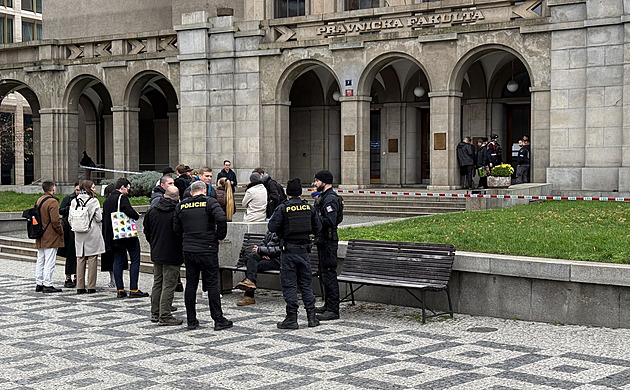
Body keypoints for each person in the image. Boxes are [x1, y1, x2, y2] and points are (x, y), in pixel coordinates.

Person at [173, 181, 232, 331]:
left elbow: (176, 227)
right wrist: (220, 236)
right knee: (212, 284)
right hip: (207, 248)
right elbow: (221, 218)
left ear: (192, 192)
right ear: (204, 191)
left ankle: (191, 321)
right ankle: (218, 320)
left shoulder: (182, 205)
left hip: (189, 250)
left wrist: (185, 239)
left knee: (191, 285)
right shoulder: (210, 202)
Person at [268, 178, 322, 329]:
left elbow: (272, 227)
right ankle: (312, 317)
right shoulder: (309, 208)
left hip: (288, 251)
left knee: (289, 284)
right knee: (305, 284)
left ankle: (292, 318)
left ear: (287, 193)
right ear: (300, 192)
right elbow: (318, 228)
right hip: (304, 251)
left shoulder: (283, 208)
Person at [144, 186, 183, 326]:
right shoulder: (177, 212)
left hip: (157, 251)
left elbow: (147, 232)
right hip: (173, 252)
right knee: (169, 284)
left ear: (165, 195)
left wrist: (154, 243)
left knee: (157, 283)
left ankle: (155, 312)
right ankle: (165, 315)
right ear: (177, 198)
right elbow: (180, 232)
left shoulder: (152, 211)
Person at [102, 178, 148, 299]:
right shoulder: (122, 198)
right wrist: (136, 215)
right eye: (128, 187)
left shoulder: (107, 200)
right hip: (126, 234)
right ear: (122, 187)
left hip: (114, 235)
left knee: (117, 260)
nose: (128, 190)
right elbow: (130, 212)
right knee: (135, 258)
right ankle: (133, 288)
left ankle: (120, 289)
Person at [313, 170, 342, 321]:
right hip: (323, 241)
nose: (315, 183)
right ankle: (327, 304)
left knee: (329, 274)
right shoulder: (324, 197)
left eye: (317, 181)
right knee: (323, 273)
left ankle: (333, 309)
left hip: (328, 242)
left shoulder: (330, 199)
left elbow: (331, 221)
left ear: (325, 182)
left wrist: (316, 218)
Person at [70, 180, 105, 294]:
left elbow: (70, 219)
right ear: (89, 188)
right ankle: (91, 286)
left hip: (78, 232)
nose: (95, 189)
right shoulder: (94, 201)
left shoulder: (74, 201)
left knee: (80, 258)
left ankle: (80, 286)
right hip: (91, 231)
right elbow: (99, 218)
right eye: (93, 187)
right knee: (92, 258)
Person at [234, 231, 281, 306]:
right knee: (251, 257)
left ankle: (249, 296)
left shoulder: (285, 230)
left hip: (278, 260)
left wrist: (261, 250)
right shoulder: (270, 230)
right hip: (267, 256)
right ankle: (250, 283)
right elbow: (263, 243)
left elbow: (281, 249)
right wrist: (262, 253)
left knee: (251, 266)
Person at [34, 180, 64, 293]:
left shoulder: (39, 200)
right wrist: (60, 231)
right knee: (50, 260)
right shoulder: (52, 202)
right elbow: (55, 221)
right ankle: (47, 283)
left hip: (40, 234)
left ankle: (39, 282)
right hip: (50, 235)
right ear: (53, 189)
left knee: (41, 259)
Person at [58, 181, 79, 288]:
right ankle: (68, 277)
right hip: (69, 229)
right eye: (77, 189)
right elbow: (61, 210)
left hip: (79, 228)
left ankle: (77, 277)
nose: (78, 192)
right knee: (70, 254)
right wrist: (69, 208)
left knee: (78, 255)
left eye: (80, 189)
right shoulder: (68, 198)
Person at [101, 183, 117, 289]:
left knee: (110, 257)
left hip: (107, 233)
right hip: (116, 232)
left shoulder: (106, 202)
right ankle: (115, 280)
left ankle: (113, 280)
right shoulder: (118, 200)